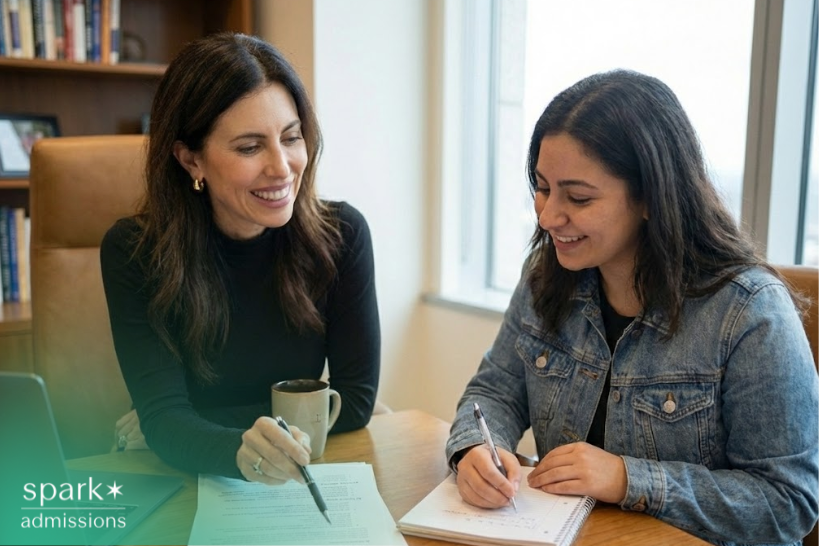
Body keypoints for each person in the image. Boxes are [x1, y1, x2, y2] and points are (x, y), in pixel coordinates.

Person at [445, 69, 818, 546]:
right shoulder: (545, 275)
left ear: (650, 198)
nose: (548, 216)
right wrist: (477, 448)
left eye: (578, 197)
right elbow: (494, 392)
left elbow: (787, 503)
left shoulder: (750, 314)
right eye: (542, 187)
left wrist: (628, 479)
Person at [101, 33, 380, 484]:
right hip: (182, 481)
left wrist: (199, 422)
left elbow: (354, 403)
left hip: (289, 474)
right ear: (191, 160)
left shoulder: (342, 235)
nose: (281, 167)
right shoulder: (135, 252)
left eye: (291, 137)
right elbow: (166, 425)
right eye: (250, 147)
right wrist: (237, 439)